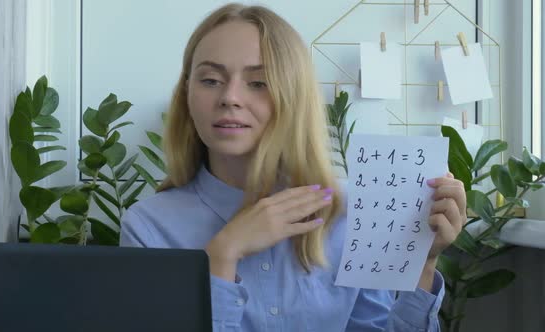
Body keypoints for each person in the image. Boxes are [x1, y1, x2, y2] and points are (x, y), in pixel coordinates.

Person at [120, 3, 467, 331]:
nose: (230, 97)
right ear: (186, 94)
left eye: (258, 82)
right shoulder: (149, 227)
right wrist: (222, 256)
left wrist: (421, 262)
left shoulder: (349, 213)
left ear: (293, 95)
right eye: (210, 80)